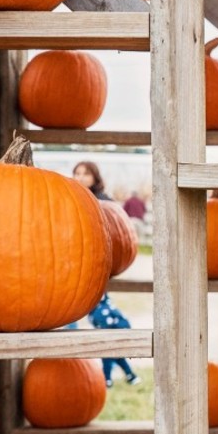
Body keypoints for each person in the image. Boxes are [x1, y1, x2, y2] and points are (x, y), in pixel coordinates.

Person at [73, 161, 139, 386]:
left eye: (85, 174)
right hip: (74, 269)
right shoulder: (69, 201)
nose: (80, 177)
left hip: (98, 268)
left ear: (94, 177)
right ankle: (123, 374)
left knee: (107, 323)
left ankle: (113, 375)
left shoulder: (105, 203)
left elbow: (116, 235)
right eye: (77, 173)